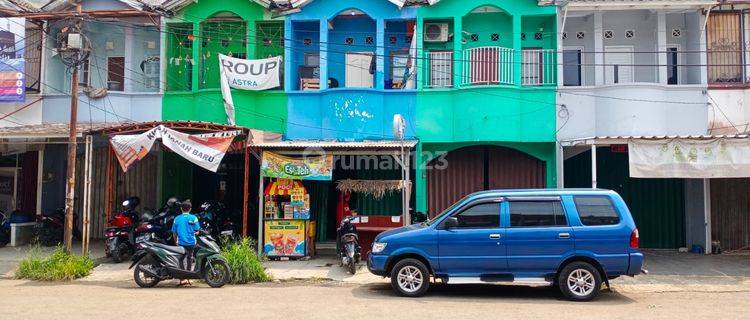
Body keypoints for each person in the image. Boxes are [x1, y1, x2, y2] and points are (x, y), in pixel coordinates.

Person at [171, 200, 200, 285]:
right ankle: (188, 277)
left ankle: (182, 278)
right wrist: (195, 232)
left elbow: (174, 232)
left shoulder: (177, 219)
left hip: (181, 243)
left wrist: (176, 241)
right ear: (190, 209)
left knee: (181, 259)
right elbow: (197, 230)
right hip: (191, 242)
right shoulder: (193, 218)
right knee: (190, 258)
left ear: (181, 209)